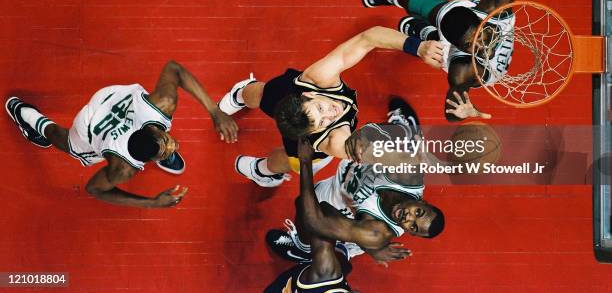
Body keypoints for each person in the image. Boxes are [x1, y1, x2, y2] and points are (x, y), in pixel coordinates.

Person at [361, 0, 592, 121]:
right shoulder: (462, 67)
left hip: (460, 13)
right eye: (470, 45)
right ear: (462, 49)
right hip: (452, 31)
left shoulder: (496, 7)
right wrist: (461, 112)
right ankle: (406, 11)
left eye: (479, 36)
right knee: (431, 27)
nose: (480, 45)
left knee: (425, 20)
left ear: (482, 22)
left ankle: (403, 10)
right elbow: (454, 101)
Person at [219, 26, 445, 187]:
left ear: (308, 94)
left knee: (263, 91)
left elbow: (368, 37)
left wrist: (418, 46)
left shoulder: (317, 78)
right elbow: (375, 154)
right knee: (293, 160)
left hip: (287, 95)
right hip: (303, 139)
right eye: (323, 122)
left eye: (320, 109)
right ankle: (263, 168)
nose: (330, 113)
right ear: (313, 132)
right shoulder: (332, 141)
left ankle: (243, 100)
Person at [5, 60, 237, 208]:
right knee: (63, 140)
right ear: (143, 162)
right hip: (90, 125)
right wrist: (152, 203)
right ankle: (25, 115)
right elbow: (94, 189)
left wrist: (215, 111)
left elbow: (174, 68)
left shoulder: (162, 103)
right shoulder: (124, 167)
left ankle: (25, 114)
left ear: (152, 129)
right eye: (166, 150)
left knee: (161, 106)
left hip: (112, 98)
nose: (174, 145)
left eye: (167, 142)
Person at [266, 98, 444, 265]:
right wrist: (366, 134)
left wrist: (305, 161)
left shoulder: (376, 231)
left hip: (347, 225)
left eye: (412, 226)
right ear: (421, 201)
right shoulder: (409, 175)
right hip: (337, 186)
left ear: (410, 232)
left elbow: (316, 221)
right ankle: (404, 129)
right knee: (398, 145)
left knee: (304, 210)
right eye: (418, 212)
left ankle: (303, 249)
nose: (408, 217)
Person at [264, 140, 356, 293]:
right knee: (338, 257)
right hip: (323, 274)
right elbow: (322, 211)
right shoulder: (327, 271)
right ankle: (307, 249)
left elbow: (318, 213)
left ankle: (308, 253)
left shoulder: (325, 271)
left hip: (307, 281)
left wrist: (305, 161)